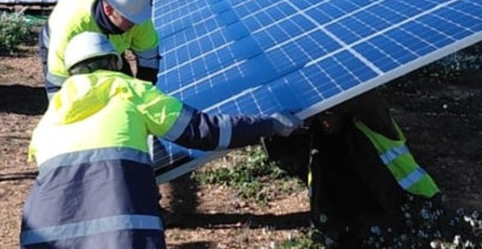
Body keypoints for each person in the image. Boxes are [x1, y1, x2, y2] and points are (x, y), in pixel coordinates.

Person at [20, 32, 303, 249]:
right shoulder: (129, 91)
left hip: (44, 234)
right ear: (115, 61)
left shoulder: (50, 118)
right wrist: (269, 125)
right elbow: (202, 130)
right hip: (121, 235)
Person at [305, 91, 441, 246]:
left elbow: (366, 98)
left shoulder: (375, 120)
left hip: (415, 201)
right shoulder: (320, 140)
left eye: (329, 113)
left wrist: (319, 104)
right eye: (320, 117)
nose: (325, 122)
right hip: (362, 218)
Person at [39, 0, 161, 99]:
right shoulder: (72, 24)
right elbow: (58, 83)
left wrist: (143, 98)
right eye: (130, 20)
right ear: (109, 10)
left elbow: (148, 62)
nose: (136, 25)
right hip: (66, 49)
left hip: (110, 49)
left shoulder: (138, 18)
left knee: (122, 91)